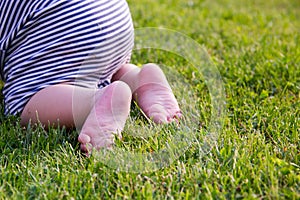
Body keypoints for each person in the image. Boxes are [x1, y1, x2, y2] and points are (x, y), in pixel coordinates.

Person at [0, 0, 181, 153]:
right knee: (108, 70)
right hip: (112, 15)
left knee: (27, 103)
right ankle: (137, 78)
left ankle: (96, 100)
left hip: (65, 25)